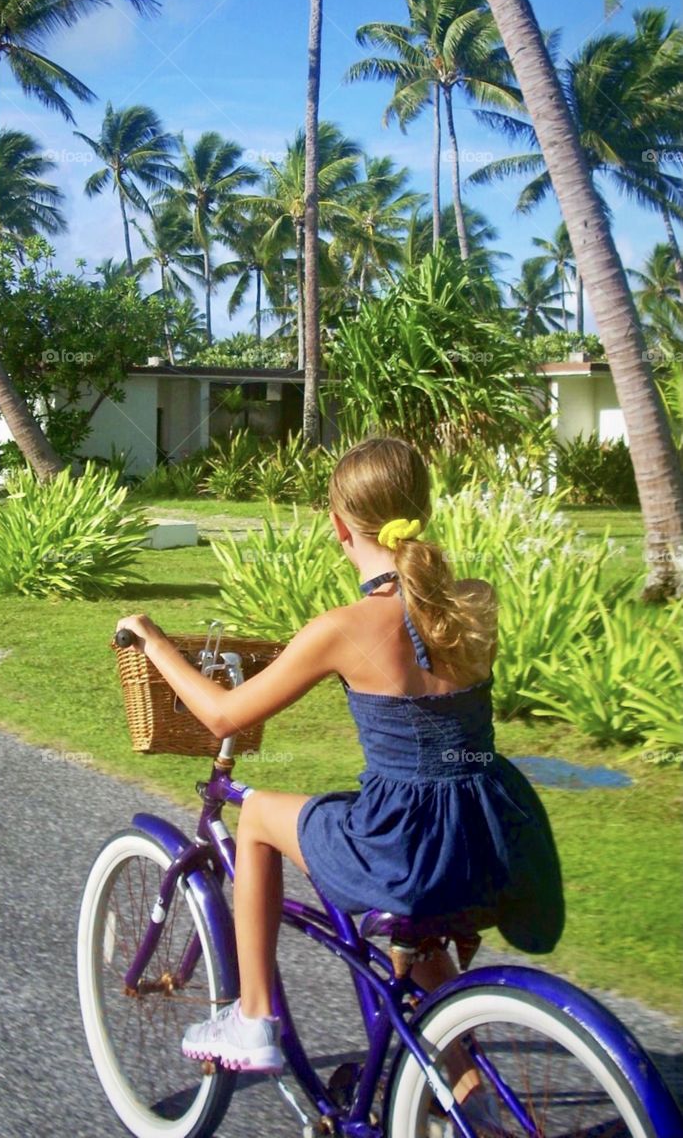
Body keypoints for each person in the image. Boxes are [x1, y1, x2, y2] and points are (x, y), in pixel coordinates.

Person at [115, 435, 564, 1088]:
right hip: (487, 826)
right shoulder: (474, 602)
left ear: (337, 526)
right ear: (423, 510)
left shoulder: (344, 628)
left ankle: (253, 1018)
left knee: (262, 815)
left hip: (408, 840)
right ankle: (472, 1104)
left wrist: (153, 640)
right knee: (424, 947)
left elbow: (222, 716)